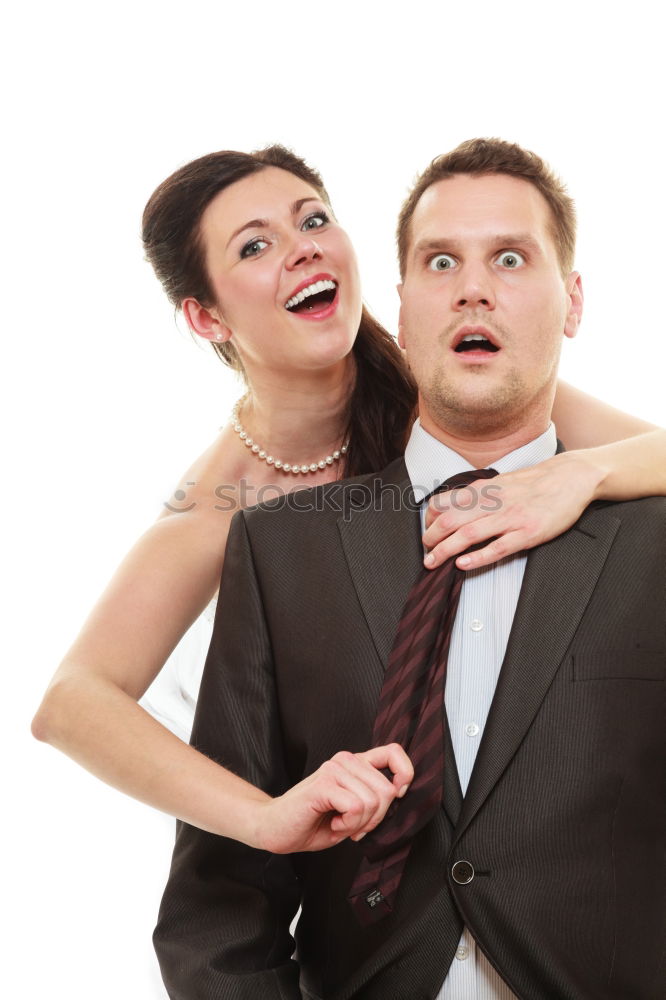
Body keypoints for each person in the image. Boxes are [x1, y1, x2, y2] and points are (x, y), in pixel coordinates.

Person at [32, 144, 663, 857]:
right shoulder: (220, 507)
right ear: (208, 319)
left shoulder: (453, 373)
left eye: (314, 219)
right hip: (341, 852)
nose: (303, 250)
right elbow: (72, 703)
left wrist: (588, 473)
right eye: (256, 245)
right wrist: (266, 820)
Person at [153, 139, 665, 1000]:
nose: (474, 286)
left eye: (511, 257)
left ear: (572, 302)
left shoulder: (651, 539)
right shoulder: (279, 554)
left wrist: (591, 472)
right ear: (399, 304)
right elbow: (219, 907)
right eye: (440, 261)